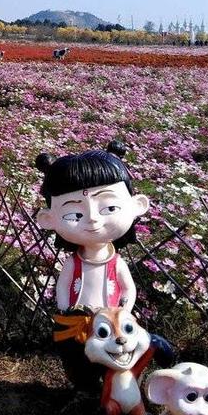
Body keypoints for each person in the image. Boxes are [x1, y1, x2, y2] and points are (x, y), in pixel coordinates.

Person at [35, 141, 151, 391]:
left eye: (109, 207)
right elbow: (63, 287)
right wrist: (67, 310)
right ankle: (84, 388)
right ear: (48, 219)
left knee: (117, 355)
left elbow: (128, 290)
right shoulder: (73, 262)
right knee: (77, 357)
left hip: (113, 321)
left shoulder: (116, 262)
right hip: (80, 321)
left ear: (137, 205)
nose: (93, 219)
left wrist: (123, 311)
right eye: (74, 215)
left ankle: (117, 391)